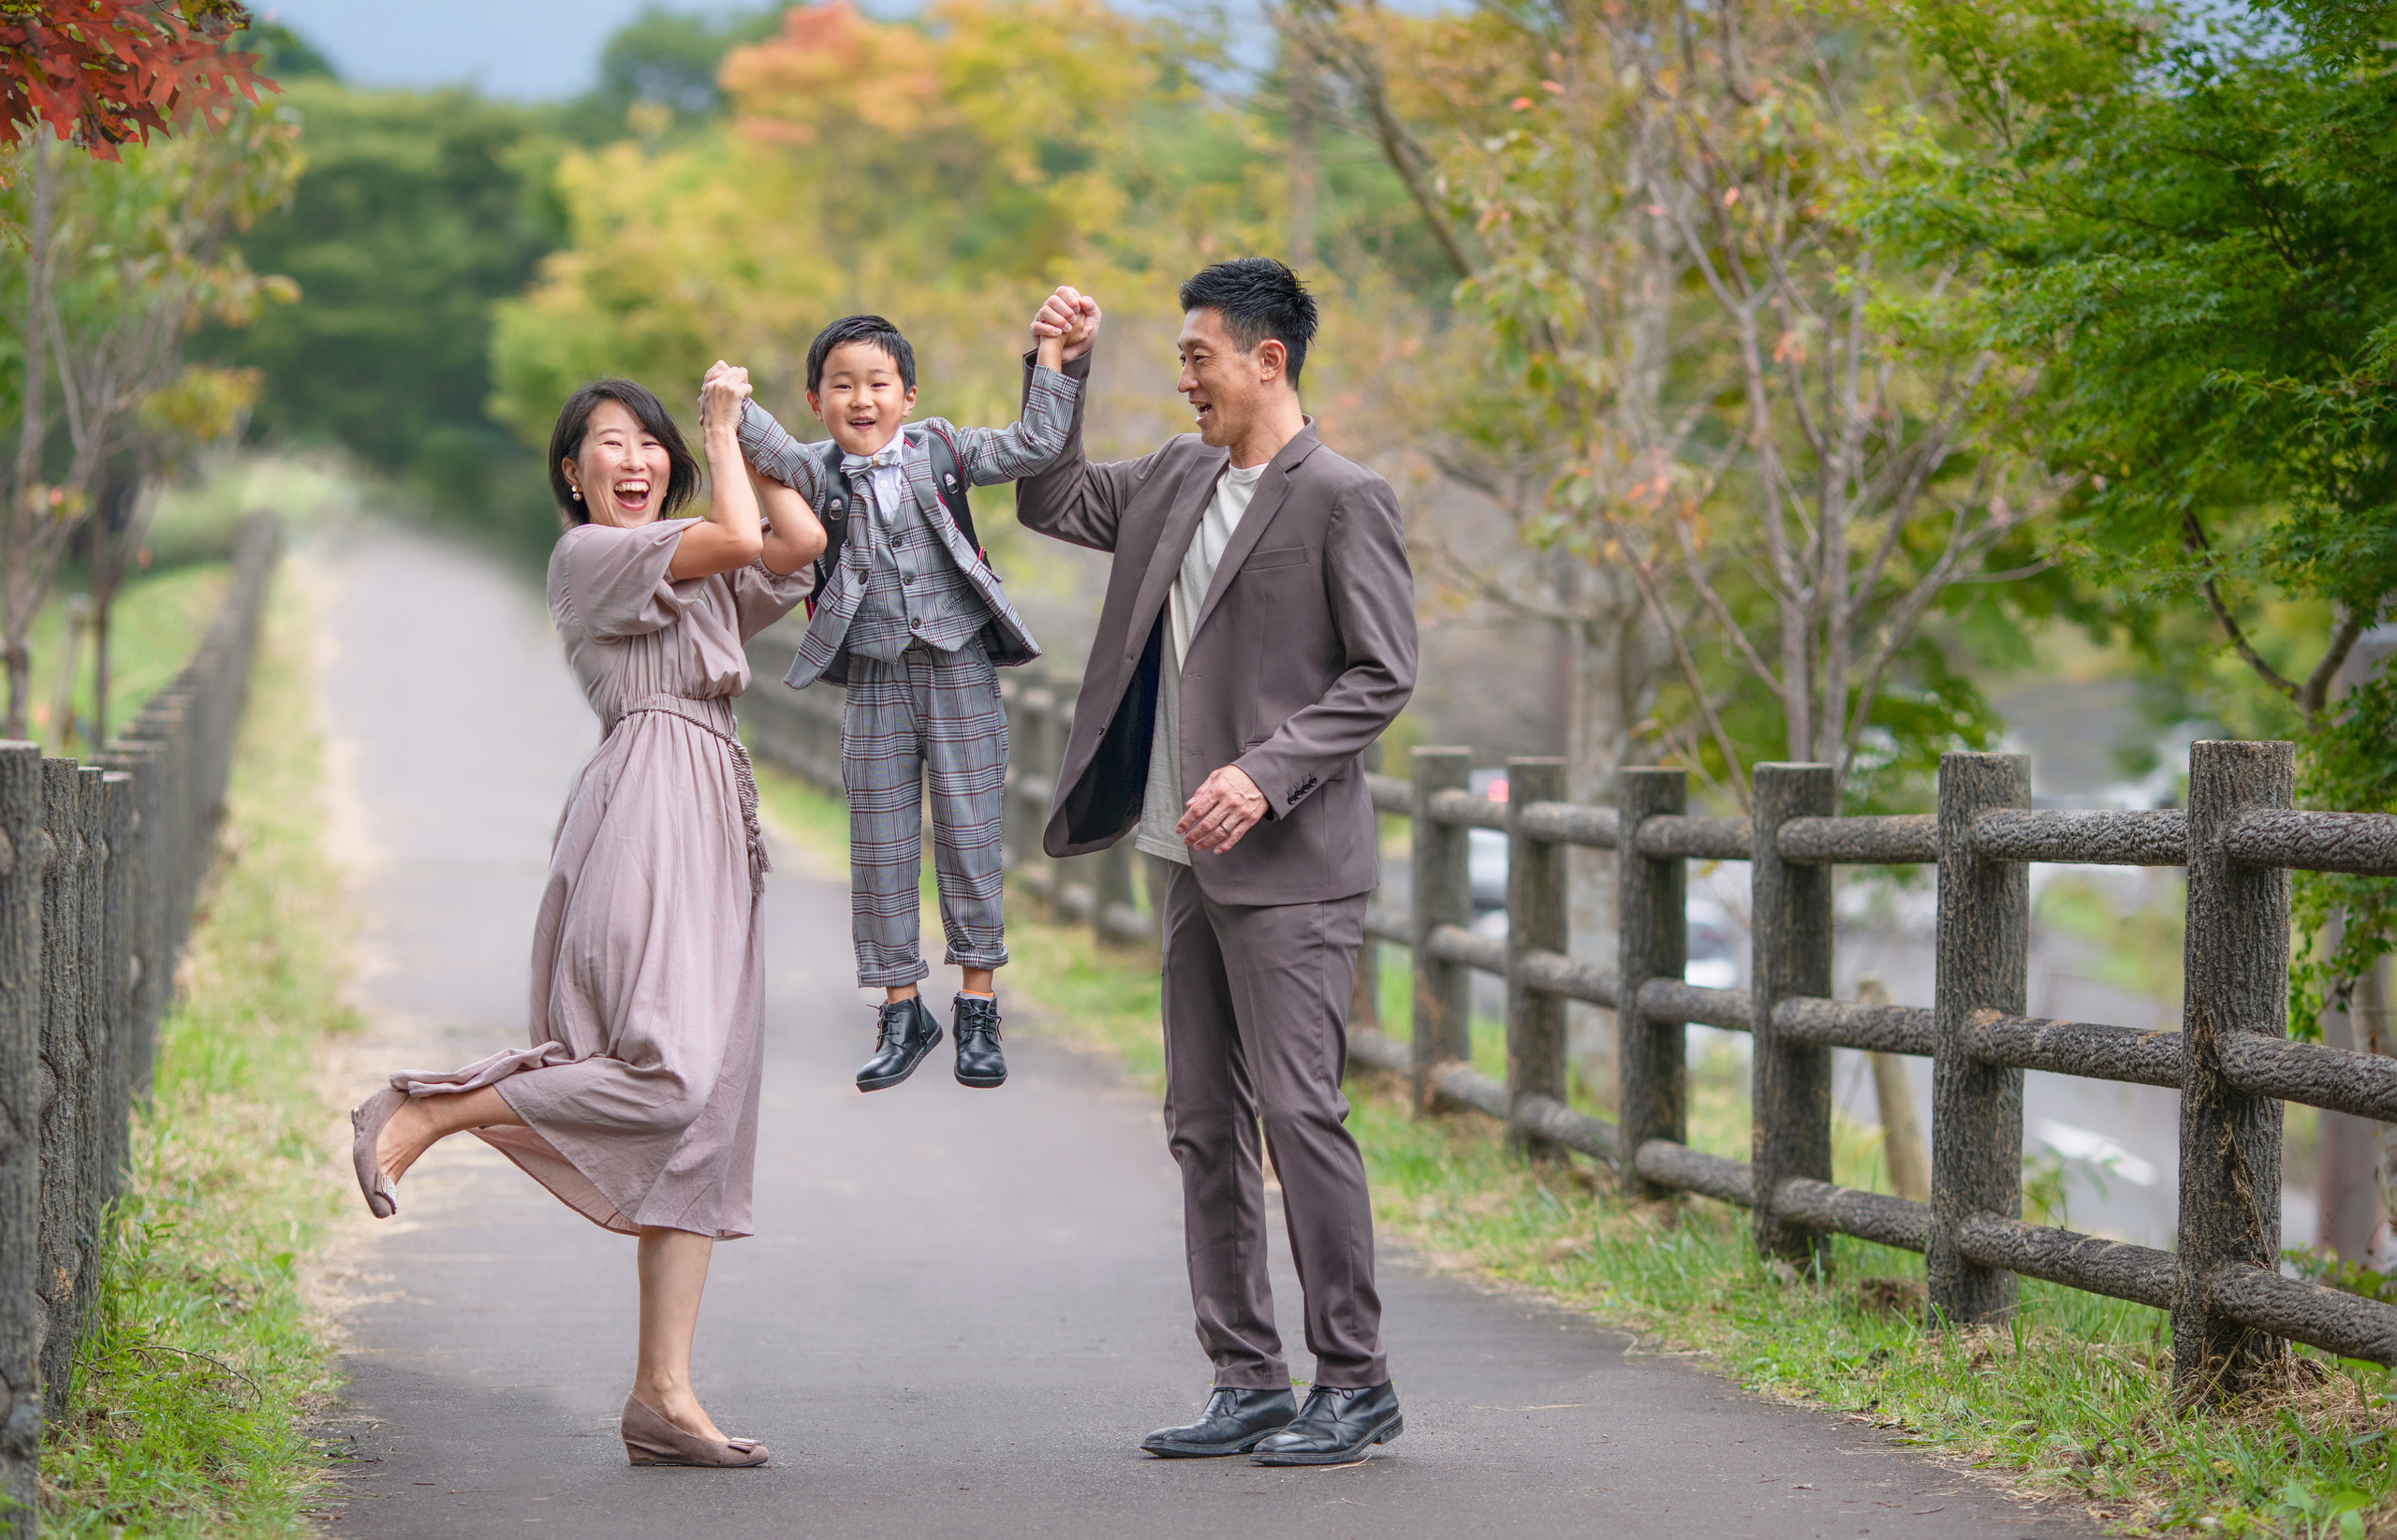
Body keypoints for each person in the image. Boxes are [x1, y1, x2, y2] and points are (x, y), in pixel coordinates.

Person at [347, 367, 826, 1470]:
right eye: (609, 444)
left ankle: (664, 1394)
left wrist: (747, 427)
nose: (634, 460)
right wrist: (714, 432)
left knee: (708, 1114)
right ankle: (434, 1107)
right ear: (572, 473)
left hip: (713, 814)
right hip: (648, 800)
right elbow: (746, 536)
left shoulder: (689, 558)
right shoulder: (593, 557)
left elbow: (793, 538)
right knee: (668, 1072)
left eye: (649, 443)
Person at [1014, 259, 1418, 1465]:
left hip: (1294, 865)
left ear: (1266, 359)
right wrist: (1056, 377)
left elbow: (1382, 674)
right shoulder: (1176, 477)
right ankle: (1247, 1377)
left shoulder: (1344, 498)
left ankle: (1357, 1379)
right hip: (1182, 858)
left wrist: (1266, 768)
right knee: (1202, 1122)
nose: (1182, 376)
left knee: (1300, 1115)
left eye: (1197, 355)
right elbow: (1049, 500)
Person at [718, 301, 1081, 1093]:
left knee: (970, 833)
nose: (861, 399)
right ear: (816, 401)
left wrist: (1050, 351)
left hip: (960, 667)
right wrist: (731, 397)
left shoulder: (943, 448)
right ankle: (900, 1008)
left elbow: (1034, 444)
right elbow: (761, 439)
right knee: (879, 845)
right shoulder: (815, 470)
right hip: (875, 676)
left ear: (908, 395)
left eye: (878, 382)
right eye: (841, 385)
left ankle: (978, 1009)